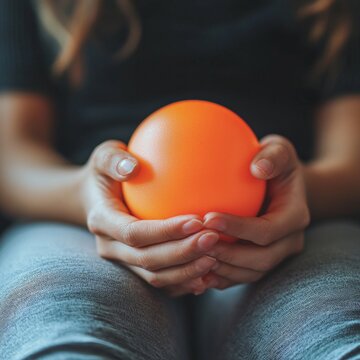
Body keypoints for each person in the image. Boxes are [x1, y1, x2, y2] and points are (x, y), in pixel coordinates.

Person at [0, 0, 359, 359]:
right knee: (61, 324)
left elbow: (350, 161)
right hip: (80, 221)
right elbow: (12, 156)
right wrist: (85, 196)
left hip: (291, 226)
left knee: (331, 327)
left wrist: (293, 195)